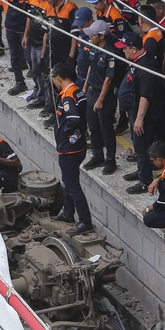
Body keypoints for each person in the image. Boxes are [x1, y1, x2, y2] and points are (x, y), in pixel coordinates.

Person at [50, 64, 93, 234]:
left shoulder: (67, 96)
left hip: (69, 149)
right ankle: (68, 213)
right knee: (69, 181)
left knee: (72, 185)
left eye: (54, 80)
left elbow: (73, 119)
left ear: (58, 79)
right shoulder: (78, 91)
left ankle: (85, 221)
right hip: (78, 145)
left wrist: (64, 132)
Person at [120, 32, 164, 194]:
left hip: (145, 116)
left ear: (133, 49)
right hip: (135, 111)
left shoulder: (146, 67)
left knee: (141, 147)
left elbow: (145, 95)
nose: (123, 51)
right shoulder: (138, 61)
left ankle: (145, 181)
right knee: (139, 145)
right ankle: (141, 171)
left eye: (125, 48)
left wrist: (139, 118)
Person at [82, 20, 120, 174]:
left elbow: (108, 79)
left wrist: (100, 100)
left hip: (104, 95)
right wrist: (85, 87)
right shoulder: (94, 48)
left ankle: (110, 160)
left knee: (106, 130)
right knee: (93, 128)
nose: (90, 37)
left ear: (102, 36)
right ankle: (98, 155)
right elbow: (90, 68)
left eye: (93, 35)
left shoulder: (110, 53)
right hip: (91, 91)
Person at [1, 0, 34, 96]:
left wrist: (26, 33)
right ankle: (19, 82)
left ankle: (39, 87)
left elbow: (31, 12)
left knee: (29, 57)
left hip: (23, 26)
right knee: (13, 56)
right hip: (10, 25)